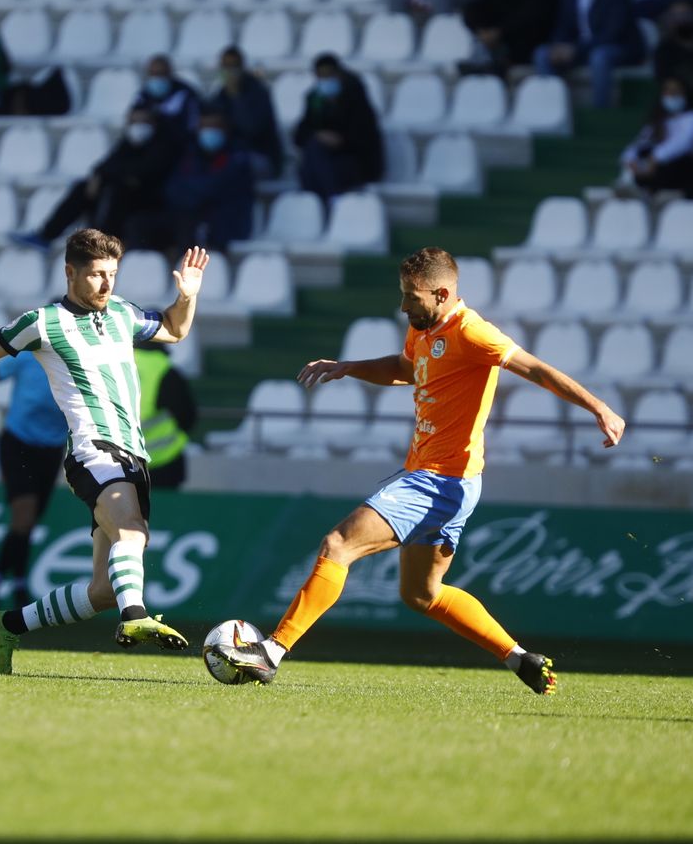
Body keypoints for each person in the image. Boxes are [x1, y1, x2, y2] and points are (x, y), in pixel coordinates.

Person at [213, 246, 626, 691]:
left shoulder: (474, 333)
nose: (404, 305)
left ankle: (271, 652)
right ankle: (519, 657)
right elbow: (405, 368)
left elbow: (536, 370)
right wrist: (348, 368)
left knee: (338, 544)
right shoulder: (424, 329)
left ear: (443, 293)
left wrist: (599, 408)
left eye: (412, 296)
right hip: (445, 480)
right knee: (421, 595)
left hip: (441, 480)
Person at [0, 232, 212, 675]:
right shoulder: (43, 322)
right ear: (70, 272)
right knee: (131, 533)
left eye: (112, 274)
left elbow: (174, 329)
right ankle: (134, 618)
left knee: (102, 590)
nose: (105, 284)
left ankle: (8, 624)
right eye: (96, 274)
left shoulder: (121, 314)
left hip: (134, 456)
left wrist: (186, 296)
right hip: (92, 450)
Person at [0, 353, 71, 614]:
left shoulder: (78, 358)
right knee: (24, 517)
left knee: (28, 523)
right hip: (18, 443)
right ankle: (13, 587)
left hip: (52, 448)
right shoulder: (28, 353)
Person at [15, 104, 180, 251]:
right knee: (84, 187)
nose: (138, 127)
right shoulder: (128, 143)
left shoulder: (163, 145)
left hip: (151, 201)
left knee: (115, 189)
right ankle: (46, 235)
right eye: (134, 122)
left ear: (153, 124)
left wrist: (111, 174)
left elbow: (145, 171)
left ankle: (102, 243)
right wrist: (99, 176)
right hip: (124, 193)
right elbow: (105, 165)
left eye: (143, 122)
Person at [533, 0, 644, 109]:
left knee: (599, 57)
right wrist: (560, 45)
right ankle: (552, 108)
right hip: (582, 48)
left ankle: (600, 112)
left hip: (621, 47)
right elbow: (563, 25)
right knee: (542, 53)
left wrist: (576, 49)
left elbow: (612, 34)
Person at [295, 52, 384, 208]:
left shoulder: (357, 98)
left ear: (339, 74)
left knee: (314, 156)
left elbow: (365, 139)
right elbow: (299, 135)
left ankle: (325, 203)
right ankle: (326, 202)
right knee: (312, 152)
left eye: (329, 75)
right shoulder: (314, 99)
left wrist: (340, 141)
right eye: (321, 76)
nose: (325, 80)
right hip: (324, 161)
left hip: (356, 162)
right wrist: (320, 135)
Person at [161, 109, 257, 252]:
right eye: (205, 127)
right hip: (193, 213)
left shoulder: (237, 155)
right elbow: (172, 188)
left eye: (215, 127)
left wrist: (191, 189)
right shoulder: (189, 153)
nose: (209, 132)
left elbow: (218, 187)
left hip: (229, 220)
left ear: (226, 129)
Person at [208, 46, 283, 180]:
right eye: (226, 66)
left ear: (242, 67)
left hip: (260, 156)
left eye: (234, 66)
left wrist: (237, 97)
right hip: (231, 153)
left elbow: (252, 129)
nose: (230, 71)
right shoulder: (220, 96)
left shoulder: (259, 93)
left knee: (231, 166)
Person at [620, 75, 693, 194]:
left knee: (663, 164)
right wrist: (630, 159)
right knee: (638, 157)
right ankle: (628, 188)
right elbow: (639, 143)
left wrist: (655, 158)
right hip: (654, 167)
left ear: (685, 93)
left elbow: (682, 144)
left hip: (681, 167)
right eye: (667, 91)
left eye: (676, 91)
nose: (671, 95)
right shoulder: (657, 120)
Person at [133, 340, 197, 489]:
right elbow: (188, 415)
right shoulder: (166, 370)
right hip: (165, 461)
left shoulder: (114, 366)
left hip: (119, 462)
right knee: (166, 511)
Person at [133, 54, 203, 140]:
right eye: (153, 74)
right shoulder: (144, 93)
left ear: (170, 73)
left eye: (161, 73)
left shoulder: (186, 93)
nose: (157, 78)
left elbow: (192, 126)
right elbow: (134, 116)